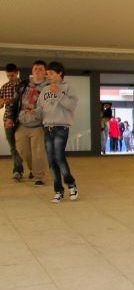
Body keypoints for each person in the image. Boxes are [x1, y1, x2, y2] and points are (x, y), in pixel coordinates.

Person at [37, 61, 79, 203]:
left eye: (51, 73)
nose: (48, 76)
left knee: (59, 157)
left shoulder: (68, 88)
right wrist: (32, 113)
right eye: (47, 73)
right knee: (51, 161)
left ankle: (71, 184)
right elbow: (40, 109)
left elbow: (71, 106)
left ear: (60, 73)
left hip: (61, 127)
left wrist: (59, 93)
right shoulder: (44, 90)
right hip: (47, 128)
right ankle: (58, 190)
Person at [9, 60, 48, 185]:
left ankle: (39, 176)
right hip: (22, 123)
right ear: (32, 71)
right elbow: (14, 102)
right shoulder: (23, 85)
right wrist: (10, 117)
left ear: (45, 72)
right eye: (35, 68)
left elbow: (52, 106)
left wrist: (37, 111)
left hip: (38, 125)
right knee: (23, 151)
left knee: (38, 152)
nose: (37, 70)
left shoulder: (49, 87)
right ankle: (33, 169)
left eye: (40, 68)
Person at [1, 63, 23, 180]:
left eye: (13, 75)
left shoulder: (24, 85)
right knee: (13, 146)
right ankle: (17, 169)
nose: (11, 78)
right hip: (8, 120)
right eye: (8, 76)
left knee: (24, 146)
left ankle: (33, 169)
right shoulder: (4, 87)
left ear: (17, 73)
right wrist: (3, 101)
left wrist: (12, 100)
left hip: (22, 120)